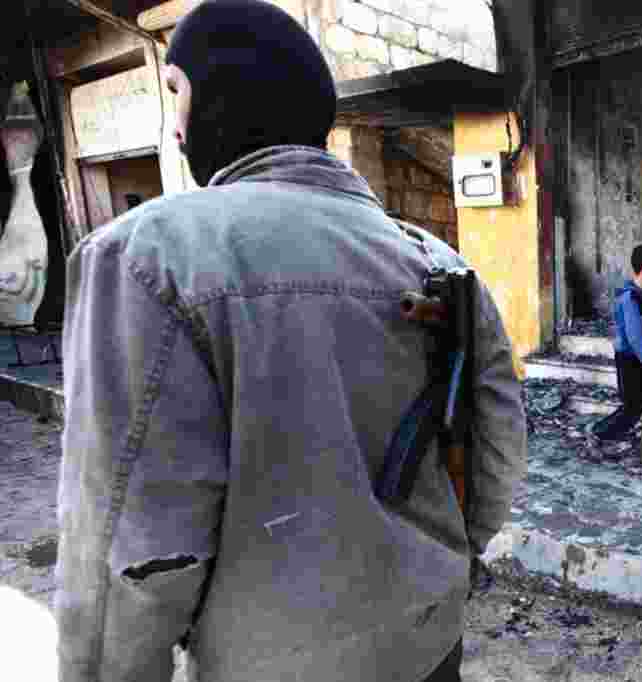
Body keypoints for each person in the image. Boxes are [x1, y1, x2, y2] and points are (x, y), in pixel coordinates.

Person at [55, 2, 527, 681]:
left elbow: (129, 548)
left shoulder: (144, 259)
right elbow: (497, 457)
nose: (176, 126)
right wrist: (438, 562)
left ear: (209, 95)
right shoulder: (436, 260)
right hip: (429, 647)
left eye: (174, 93)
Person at [589, 244, 642, 464]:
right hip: (630, 360)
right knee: (633, 408)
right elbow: (634, 337)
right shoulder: (628, 298)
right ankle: (598, 435)